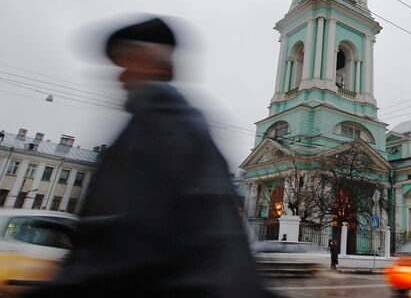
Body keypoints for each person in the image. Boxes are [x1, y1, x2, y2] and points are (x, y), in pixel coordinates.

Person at [27, 16, 270, 298]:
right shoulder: (168, 121)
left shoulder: (161, 126)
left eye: (127, 62)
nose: (120, 76)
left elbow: (124, 243)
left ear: (152, 63)